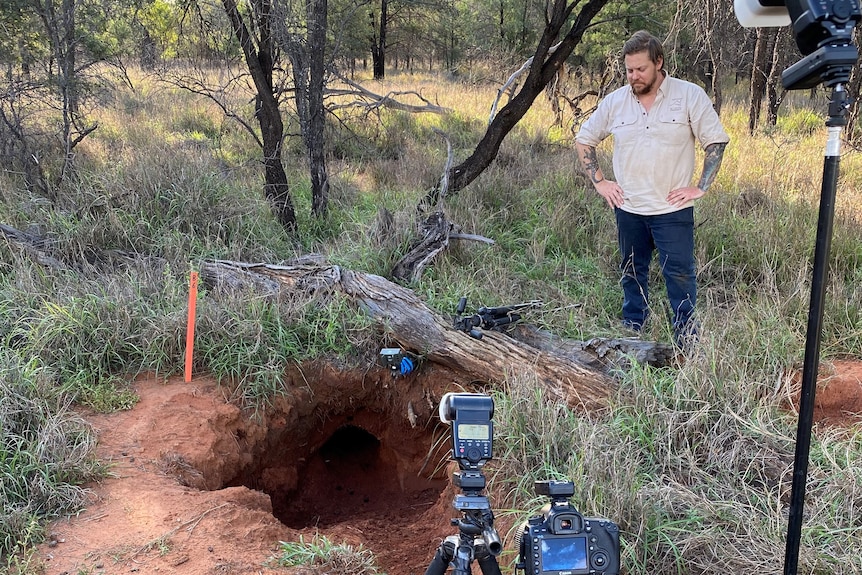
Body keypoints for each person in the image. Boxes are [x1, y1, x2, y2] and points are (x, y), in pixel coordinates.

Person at [575, 30, 729, 348]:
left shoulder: (689, 96)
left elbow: (715, 140)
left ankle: (686, 337)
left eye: (641, 69)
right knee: (632, 271)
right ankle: (633, 330)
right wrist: (600, 182)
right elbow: (584, 139)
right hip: (629, 208)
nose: (634, 76)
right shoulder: (616, 102)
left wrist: (701, 186)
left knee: (680, 275)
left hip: (672, 210)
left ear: (659, 62)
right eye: (629, 70)